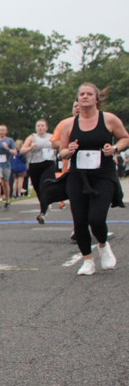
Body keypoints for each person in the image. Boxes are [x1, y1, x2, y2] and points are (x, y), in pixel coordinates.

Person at [56, 84, 128, 275]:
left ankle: (103, 245)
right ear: (77, 99)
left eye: (89, 94)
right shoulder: (69, 124)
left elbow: (125, 138)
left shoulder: (109, 119)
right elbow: (62, 152)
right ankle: (88, 260)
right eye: (82, 94)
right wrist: (69, 151)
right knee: (79, 221)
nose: (85, 97)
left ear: (97, 98)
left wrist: (115, 149)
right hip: (78, 176)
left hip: (103, 176)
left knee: (96, 218)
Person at [21, 119, 57, 224]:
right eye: (38, 126)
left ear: (46, 127)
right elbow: (22, 150)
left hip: (49, 164)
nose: (40, 128)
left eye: (42, 126)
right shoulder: (32, 137)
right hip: (35, 165)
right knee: (37, 189)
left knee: (43, 186)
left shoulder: (52, 137)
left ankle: (43, 213)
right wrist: (31, 147)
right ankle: (45, 204)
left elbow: (59, 146)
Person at [0, 124, 17, 208]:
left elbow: (15, 152)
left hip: (6, 164)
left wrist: (8, 148)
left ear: (6, 131)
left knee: (6, 182)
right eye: (0, 130)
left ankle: (7, 200)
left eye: (3, 130)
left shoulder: (10, 140)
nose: (1, 132)